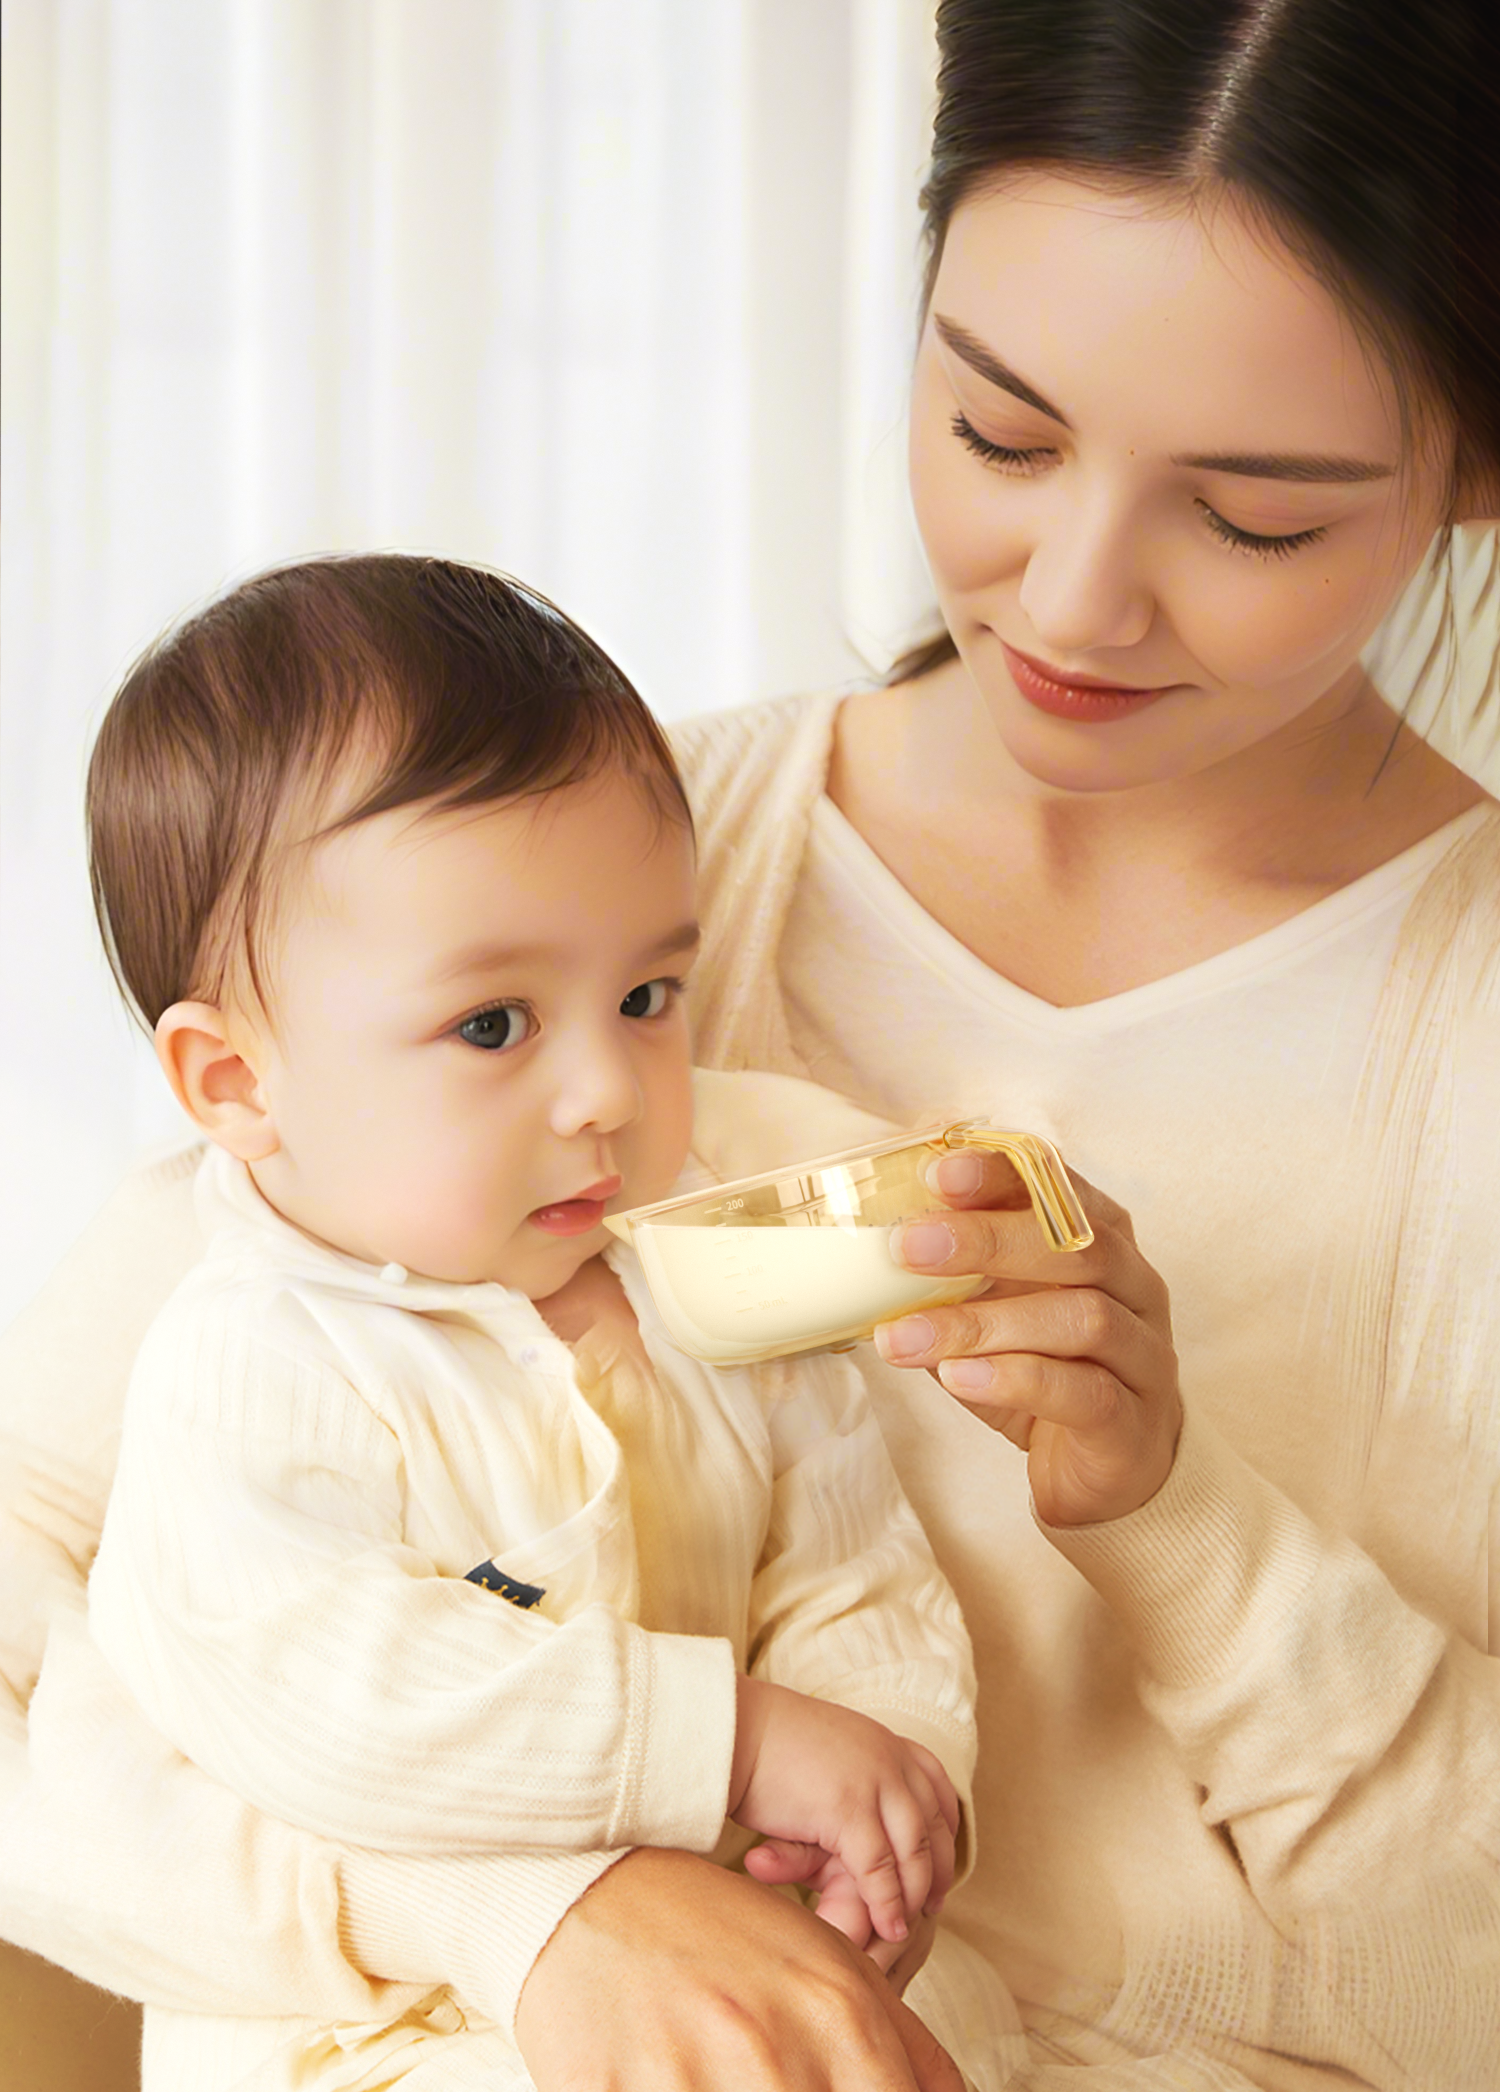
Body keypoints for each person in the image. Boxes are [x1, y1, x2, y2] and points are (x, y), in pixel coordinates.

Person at [2, 1, 1497, 2087]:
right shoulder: (542, 888)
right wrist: (538, 1908)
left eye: (1249, 519)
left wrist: (1174, 1509)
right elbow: (41, 1631)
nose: (1070, 598)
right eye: (998, 432)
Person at [74, 551, 1012, 2090]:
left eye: (648, 998)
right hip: (380, 2016)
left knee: (941, 2027)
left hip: (724, 1923)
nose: (607, 1091)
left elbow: (853, 1571)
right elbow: (343, 1703)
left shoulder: (708, 1284)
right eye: (494, 1026)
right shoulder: (251, 1363)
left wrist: (875, 1789)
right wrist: (738, 1741)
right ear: (238, 1085)